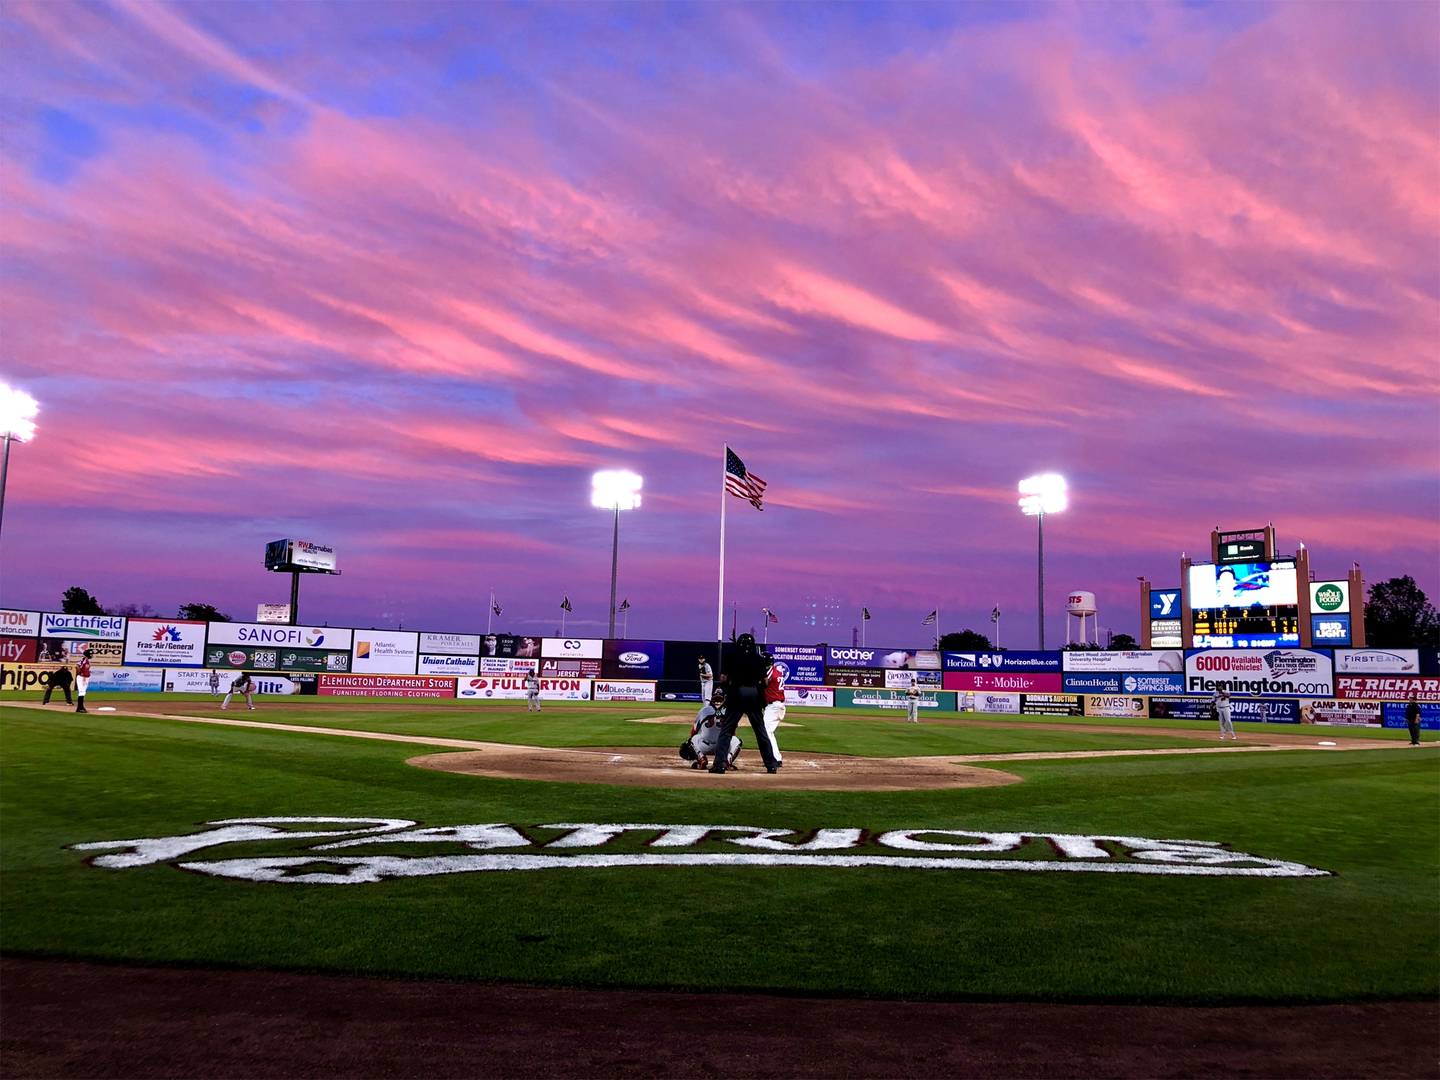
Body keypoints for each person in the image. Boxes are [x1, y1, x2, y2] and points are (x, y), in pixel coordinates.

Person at [711, 634, 780, 774]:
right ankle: (771, 765)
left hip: (737, 694)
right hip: (754, 695)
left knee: (726, 731)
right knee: (761, 732)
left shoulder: (731, 656)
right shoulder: (759, 658)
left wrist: (730, 688)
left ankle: (719, 765)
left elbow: (723, 679)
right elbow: (765, 682)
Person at [680, 690, 741, 771]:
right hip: (723, 748)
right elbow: (733, 732)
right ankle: (727, 760)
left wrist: (690, 742)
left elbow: (694, 731)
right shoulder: (729, 711)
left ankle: (701, 758)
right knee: (736, 741)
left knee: (694, 738)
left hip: (705, 747)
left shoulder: (703, 710)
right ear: (723, 700)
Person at [761, 660, 786, 766]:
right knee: (768, 732)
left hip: (774, 706)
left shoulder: (771, 672)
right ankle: (774, 757)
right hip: (775, 705)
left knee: (767, 732)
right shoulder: (777, 672)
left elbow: (763, 682)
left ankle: (776, 758)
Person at [74, 649, 92, 713]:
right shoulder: (84, 660)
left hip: (85, 677)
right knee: (81, 692)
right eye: (91, 654)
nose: (92, 655)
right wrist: (80, 673)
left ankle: (81, 707)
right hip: (82, 677)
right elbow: (76, 666)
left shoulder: (87, 661)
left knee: (83, 692)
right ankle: (79, 708)